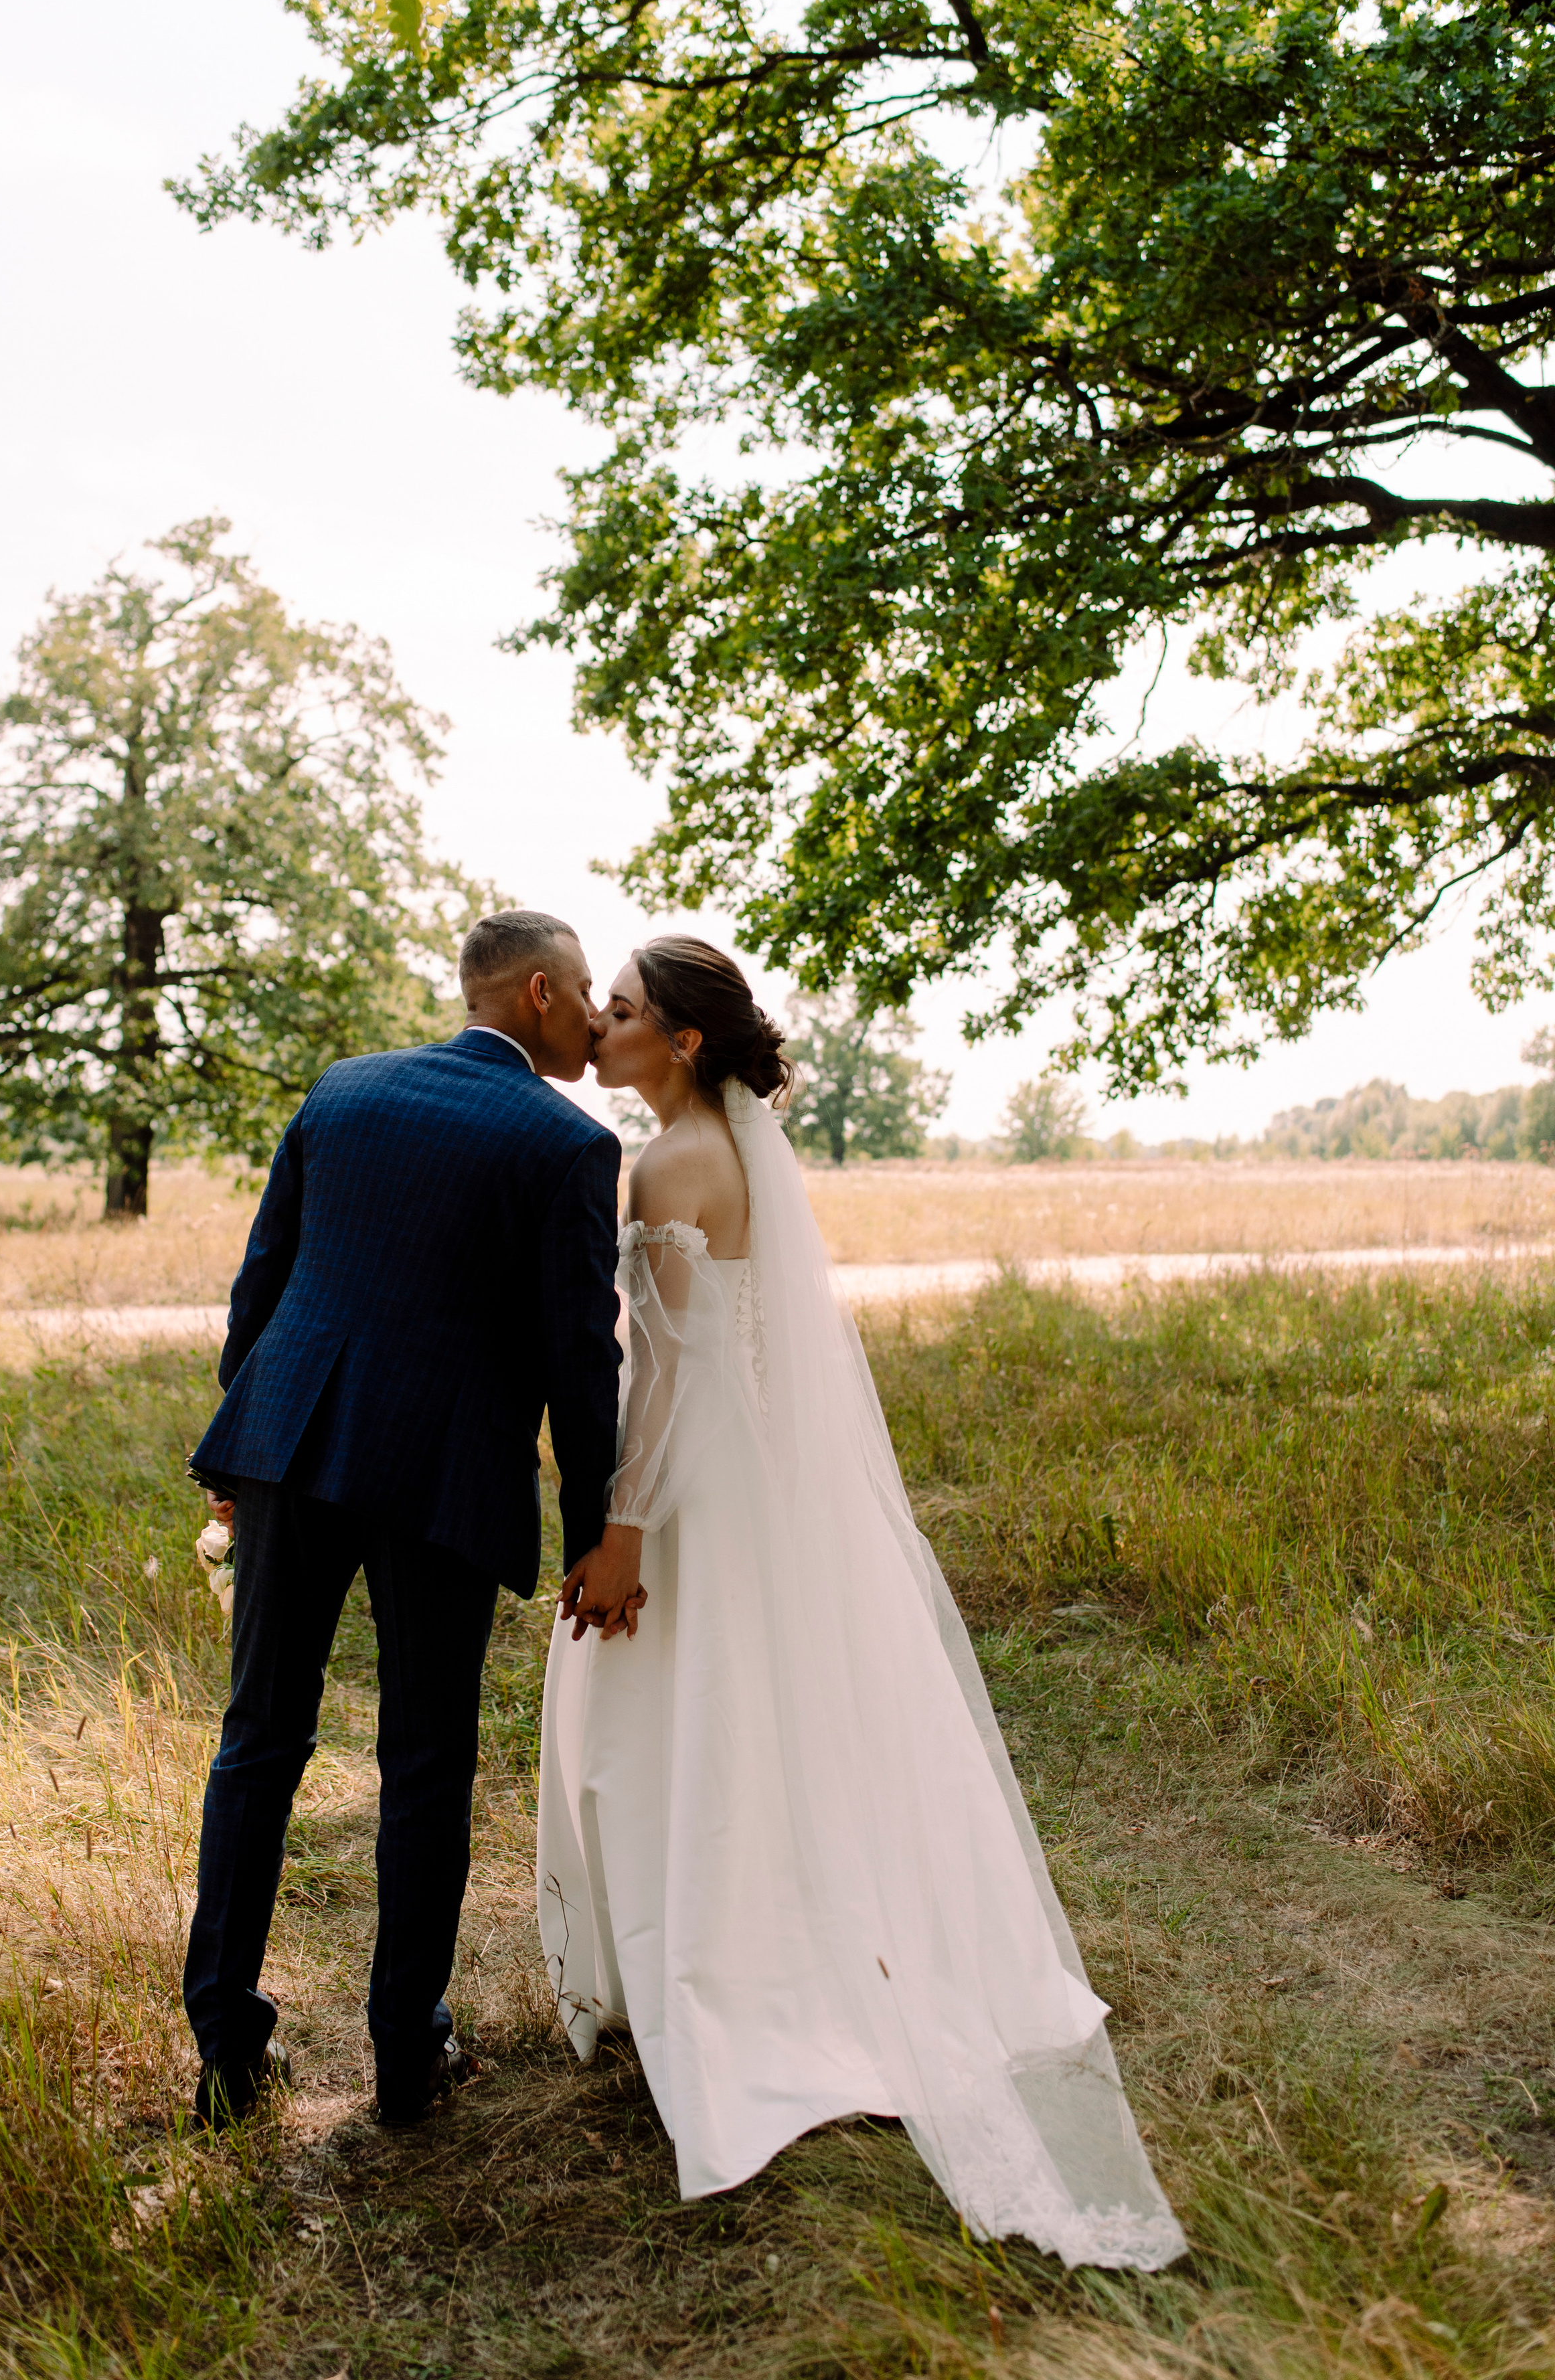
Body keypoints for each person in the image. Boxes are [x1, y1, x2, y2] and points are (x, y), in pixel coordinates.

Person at [538, 936, 1186, 2270]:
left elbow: (664, 1377)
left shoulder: (665, 1164)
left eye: (624, 1012)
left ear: (683, 1041)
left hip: (693, 1490)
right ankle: (798, 1953)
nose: (600, 1027)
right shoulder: (735, 1148)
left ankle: (730, 1983)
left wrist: (622, 1527)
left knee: (685, 1727)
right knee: (779, 1718)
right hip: (762, 1471)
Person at [183, 910, 628, 2132]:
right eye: (586, 986)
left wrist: (236, 1449)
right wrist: (596, 1525)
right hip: (443, 1475)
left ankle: (224, 2050)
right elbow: (582, 1363)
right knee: (425, 1763)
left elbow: (264, 1277)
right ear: (538, 993)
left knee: (257, 1741)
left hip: (292, 1444)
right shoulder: (568, 1144)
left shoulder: (344, 1088)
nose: (597, 1012)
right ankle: (403, 2058)